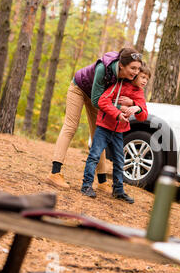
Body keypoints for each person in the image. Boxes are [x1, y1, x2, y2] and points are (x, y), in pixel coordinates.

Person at [47, 48, 143, 194]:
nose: (136, 72)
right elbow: (97, 99)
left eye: (138, 68)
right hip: (79, 88)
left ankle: (102, 181)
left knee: (99, 134)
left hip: (98, 98)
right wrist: (119, 108)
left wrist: (132, 104)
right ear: (122, 65)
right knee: (71, 126)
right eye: (133, 68)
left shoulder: (127, 77)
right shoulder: (102, 69)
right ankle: (54, 173)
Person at [81, 75, 148, 201]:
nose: (145, 81)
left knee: (119, 161)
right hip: (104, 127)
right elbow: (103, 101)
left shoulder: (139, 92)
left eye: (147, 79)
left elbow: (143, 115)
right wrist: (118, 109)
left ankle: (118, 190)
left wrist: (135, 106)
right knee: (94, 155)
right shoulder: (118, 84)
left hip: (119, 131)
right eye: (143, 77)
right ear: (134, 76)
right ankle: (86, 185)